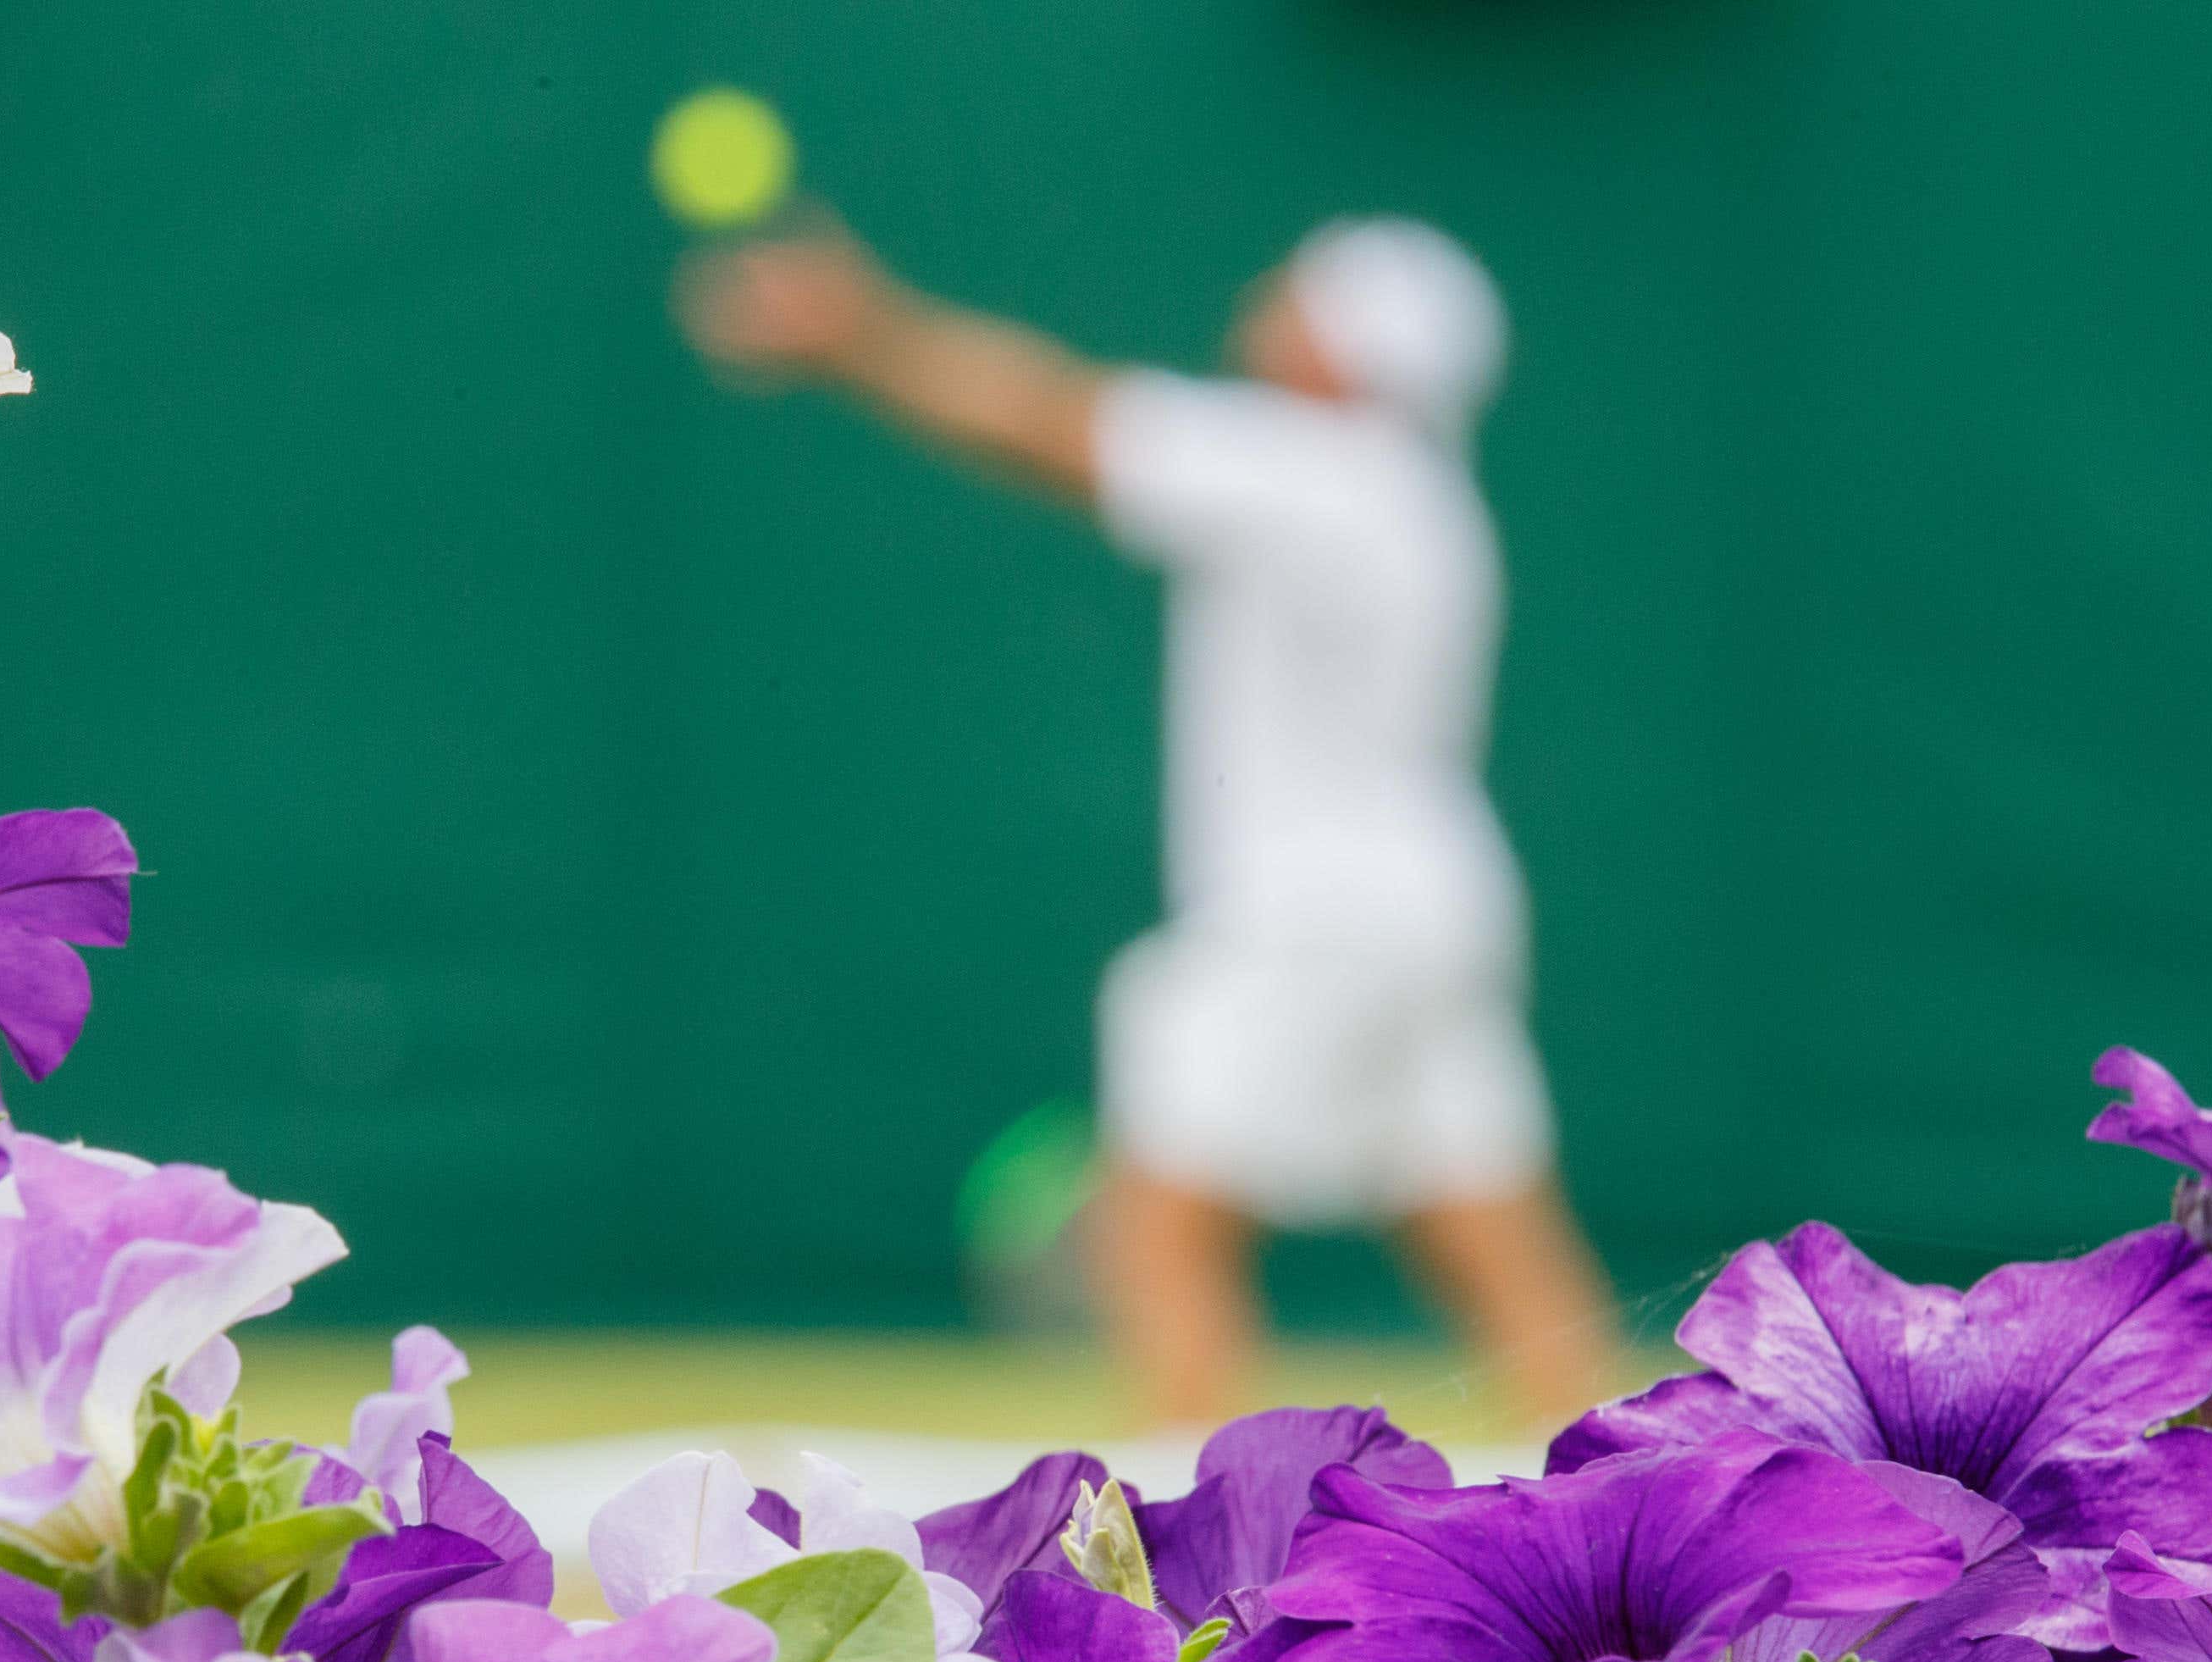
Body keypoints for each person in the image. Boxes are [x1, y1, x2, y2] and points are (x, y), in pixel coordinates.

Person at [679, 214, 1618, 1430]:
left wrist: (856, 329)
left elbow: (1047, 420)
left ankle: (1190, 1550)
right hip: (1434, 908)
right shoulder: (1423, 501)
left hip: (1307, 918)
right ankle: (1646, 1529)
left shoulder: (1310, 468)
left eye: (1301, 298)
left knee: (1158, 1227)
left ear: (1347, 355)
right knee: (1499, 1242)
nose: (1264, 302)